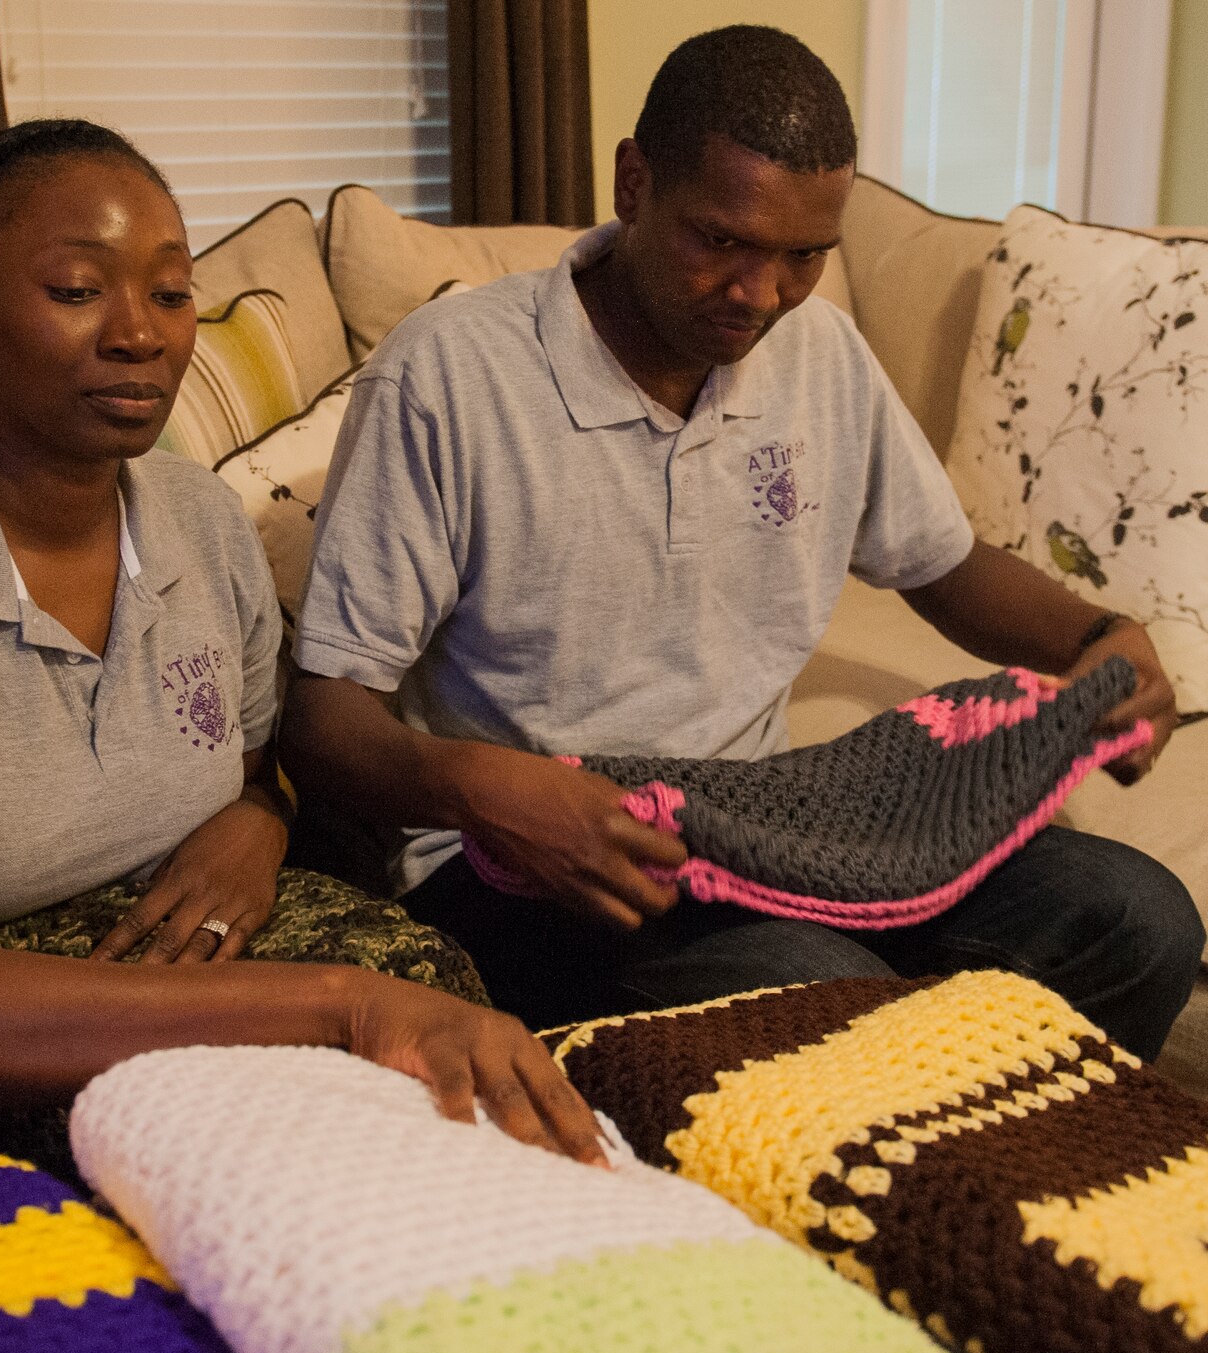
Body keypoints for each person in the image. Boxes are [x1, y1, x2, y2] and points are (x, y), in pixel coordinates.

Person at [279, 26, 1204, 1060]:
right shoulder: (448, 376)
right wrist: (476, 786)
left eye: (803, 255)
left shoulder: (816, 355)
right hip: (530, 863)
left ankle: (960, 1122)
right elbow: (321, 718)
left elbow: (941, 563)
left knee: (1135, 916)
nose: (759, 294)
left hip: (764, 823)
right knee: (819, 996)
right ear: (632, 181)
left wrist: (1099, 633)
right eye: (718, 241)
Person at [0, 118, 604, 1162]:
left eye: (171, 293)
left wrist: (258, 822)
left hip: (166, 962)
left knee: (457, 1083)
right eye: (78, 291)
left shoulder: (198, 521)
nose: (139, 333)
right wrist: (340, 1006)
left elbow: (262, 765)